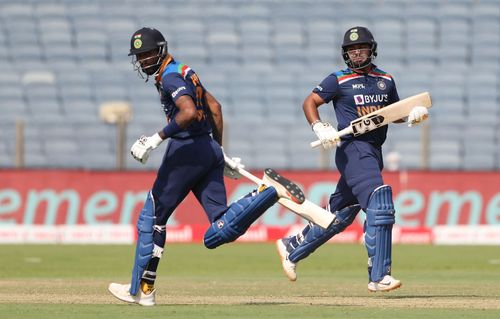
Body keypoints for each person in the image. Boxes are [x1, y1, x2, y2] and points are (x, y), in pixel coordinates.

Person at [108, 27, 305, 306]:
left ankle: (137, 291)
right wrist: (218, 150)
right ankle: (265, 194)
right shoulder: (185, 70)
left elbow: (188, 112)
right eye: (139, 56)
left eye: (148, 53)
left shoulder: (171, 76)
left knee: (152, 219)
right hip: (207, 148)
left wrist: (155, 139)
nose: (143, 60)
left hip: (186, 151)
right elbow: (215, 106)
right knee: (219, 228)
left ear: (161, 50)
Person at [275, 26, 429, 292]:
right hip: (353, 150)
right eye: (351, 49)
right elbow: (309, 102)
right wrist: (319, 126)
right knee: (380, 204)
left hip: (373, 151)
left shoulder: (386, 79)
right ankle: (379, 275)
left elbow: (392, 112)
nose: (357, 53)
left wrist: (412, 116)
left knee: (339, 216)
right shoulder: (338, 79)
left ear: (372, 49)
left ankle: (292, 247)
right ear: (345, 53)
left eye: (361, 48)